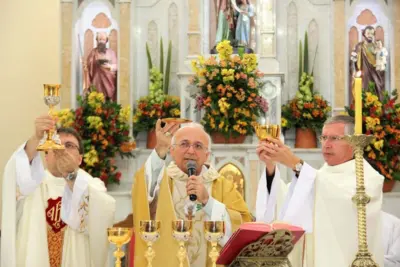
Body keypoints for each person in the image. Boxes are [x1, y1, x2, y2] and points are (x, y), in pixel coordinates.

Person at [255, 115, 384, 267]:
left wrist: (296, 164)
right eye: (324, 137)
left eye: (334, 138)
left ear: (353, 142)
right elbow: (286, 202)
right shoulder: (321, 175)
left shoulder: (367, 178)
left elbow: (339, 201)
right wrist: (271, 166)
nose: (326, 144)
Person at [132, 119, 251, 267]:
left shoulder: (222, 185)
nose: (191, 151)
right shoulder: (161, 180)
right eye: (184, 144)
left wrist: (208, 202)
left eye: (198, 146)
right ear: (172, 150)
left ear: (207, 155)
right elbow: (144, 195)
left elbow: (241, 228)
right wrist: (160, 147)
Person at [1, 115, 116, 267]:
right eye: (56, 145)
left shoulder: (92, 186)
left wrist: (70, 175)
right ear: (46, 155)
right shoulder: (31, 185)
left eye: (69, 145)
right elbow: (14, 172)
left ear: (80, 159)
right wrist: (36, 138)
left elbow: (104, 214)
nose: (61, 149)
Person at [350, 26, 385, 101]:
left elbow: (381, 61)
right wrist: (355, 71)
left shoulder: (376, 47)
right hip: (363, 75)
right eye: (368, 33)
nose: (370, 35)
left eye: (372, 33)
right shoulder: (359, 46)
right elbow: (353, 60)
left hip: (375, 75)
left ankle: (375, 108)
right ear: (364, 34)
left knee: (375, 92)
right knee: (363, 91)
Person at [84, 31, 118, 101]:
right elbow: (88, 66)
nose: (101, 41)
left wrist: (109, 67)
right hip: (97, 81)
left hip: (109, 82)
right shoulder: (93, 52)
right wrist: (86, 65)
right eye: (100, 39)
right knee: (97, 101)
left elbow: (116, 66)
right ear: (97, 40)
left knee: (108, 102)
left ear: (106, 41)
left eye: (103, 40)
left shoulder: (111, 53)